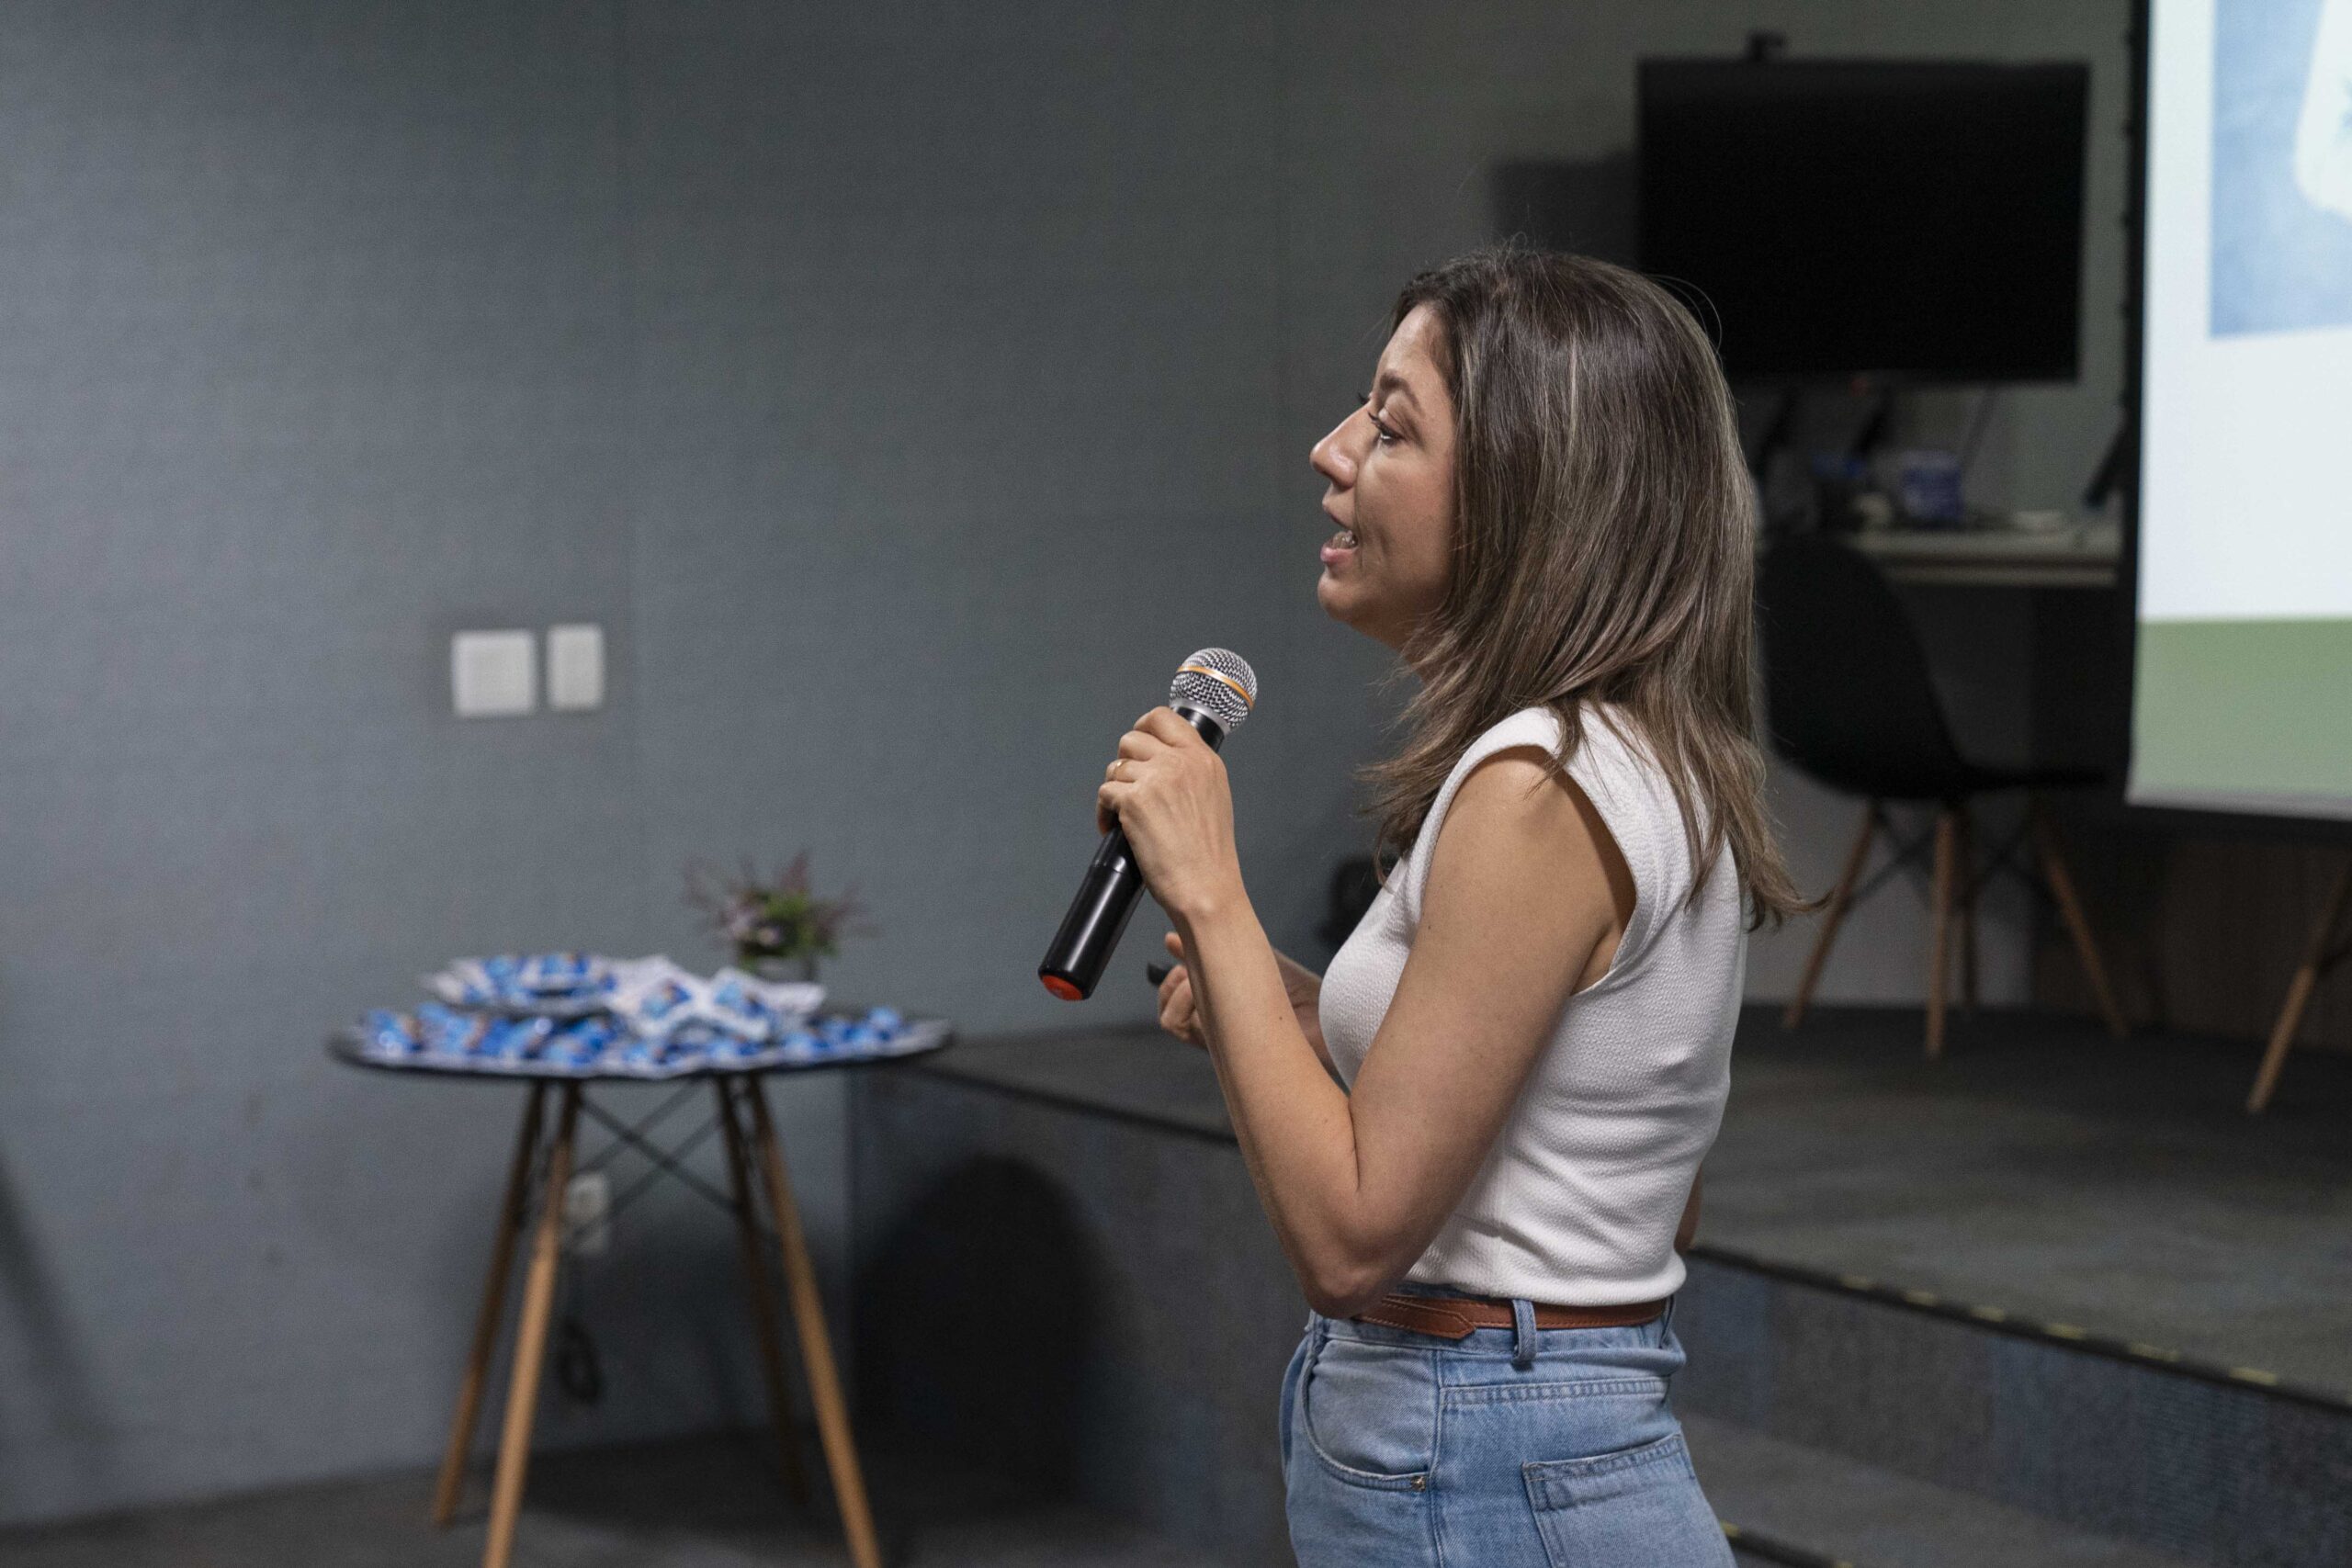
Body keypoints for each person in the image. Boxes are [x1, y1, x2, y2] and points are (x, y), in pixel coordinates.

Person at [1093, 246, 1805, 1566]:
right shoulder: (1632, 757)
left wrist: (1210, 889)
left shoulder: (1535, 786)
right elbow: (1623, 1187)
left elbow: (1353, 1243)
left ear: (1529, 497)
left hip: (1480, 1455)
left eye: (1392, 422)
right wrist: (1294, 1016)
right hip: (1523, 1444)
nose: (1331, 449)